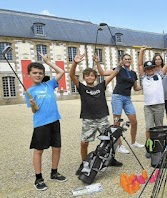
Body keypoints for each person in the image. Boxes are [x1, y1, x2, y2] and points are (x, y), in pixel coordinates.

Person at [70, 52, 123, 176]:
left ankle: (111, 159)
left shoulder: (101, 86)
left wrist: (119, 65)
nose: (90, 77)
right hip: (88, 119)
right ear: (84, 78)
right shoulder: (82, 88)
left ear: (95, 77)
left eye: (92, 76)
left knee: (111, 140)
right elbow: (72, 75)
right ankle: (84, 163)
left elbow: (114, 74)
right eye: (87, 76)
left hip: (102, 118)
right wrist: (75, 63)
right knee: (84, 142)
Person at [25, 53, 66, 191]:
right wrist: (33, 105)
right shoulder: (29, 91)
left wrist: (48, 62)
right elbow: (34, 111)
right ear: (29, 74)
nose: (38, 75)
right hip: (41, 123)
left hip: (55, 121)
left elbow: (61, 71)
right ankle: (38, 178)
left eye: (40, 73)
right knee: (39, 151)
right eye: (35, 73)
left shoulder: (49, 85)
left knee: (57, 148)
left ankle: (54, 172)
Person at [98, 54, 144, 154]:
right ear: (122, 60)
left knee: (134, 121)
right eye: (125, 59)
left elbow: (136, 88)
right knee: (117, 123)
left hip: (127, 98)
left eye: (129, 59)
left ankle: (133, 142)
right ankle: (119, 145)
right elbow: (102, 73)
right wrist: (97, 62)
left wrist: (146, 84)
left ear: (131, 61)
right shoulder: (118, 69)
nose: (127, 60)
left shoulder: (133, 73)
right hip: (117, 96)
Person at [138, 47, 167, 158]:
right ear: (145, 70)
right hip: (148, 107)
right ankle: (149, 147)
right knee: (149, 127)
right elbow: (140, 65)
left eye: (151, 68)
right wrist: (141, 52)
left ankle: (159, 146)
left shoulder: (159, 75)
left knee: (159, 127)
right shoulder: (143, 78)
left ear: (154, 68)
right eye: (147, 68)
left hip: (159, 105)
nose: (149, 70)